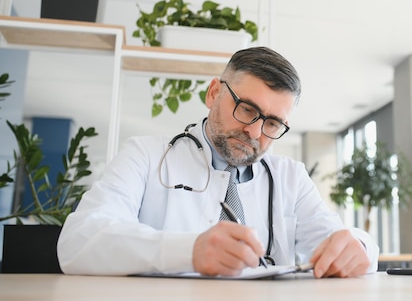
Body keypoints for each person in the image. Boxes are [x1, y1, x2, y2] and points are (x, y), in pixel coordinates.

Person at [57, 46, 379, 278]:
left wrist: (360, 248)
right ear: (214, 93)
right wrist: (188, 251)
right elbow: (78, 242)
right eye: (248, 109)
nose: (254, 131)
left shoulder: (290, 177)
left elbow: (337, 243)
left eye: (272, 123)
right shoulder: (146, 155)